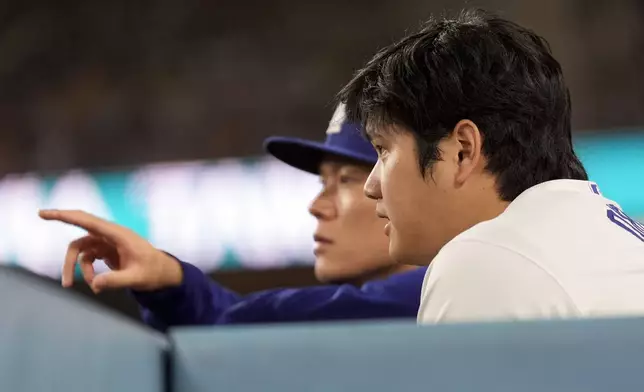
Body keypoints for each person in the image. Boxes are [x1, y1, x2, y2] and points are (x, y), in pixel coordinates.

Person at [337, 9, 644, 324]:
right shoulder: (614, 238)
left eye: (383, 150)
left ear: (462, 150)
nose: (371, 186)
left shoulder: (484, 259)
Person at [39, 104, 423, 330]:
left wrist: (170, 279)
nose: (317, 205)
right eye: (322, 182)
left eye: (345, 179)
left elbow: (243, 322)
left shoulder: (440, 289)